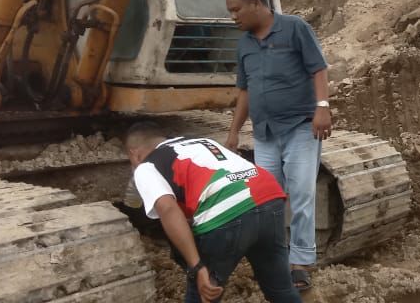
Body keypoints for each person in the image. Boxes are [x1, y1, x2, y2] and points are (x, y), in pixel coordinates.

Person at [224, 0, 332, 291]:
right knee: (267, 200)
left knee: (301, 196)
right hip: (265, 134)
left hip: (300, 126)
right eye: (230, 11)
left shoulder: (294, 28)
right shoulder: (244, 44)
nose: (233, 17)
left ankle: (300, 263)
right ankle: (275, 260)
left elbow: (318, 69)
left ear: (256, 4)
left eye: (236, 10)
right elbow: (244, 90)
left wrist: (322, 107)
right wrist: (233, 132)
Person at [124, 121, 301, 303]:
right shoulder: (202, 142)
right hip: (269, 195)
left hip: (227, 210)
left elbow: (168, 209)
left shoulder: (145, 167)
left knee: (203, 294)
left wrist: (196, 266)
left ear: (134, 154)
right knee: (280, 289)